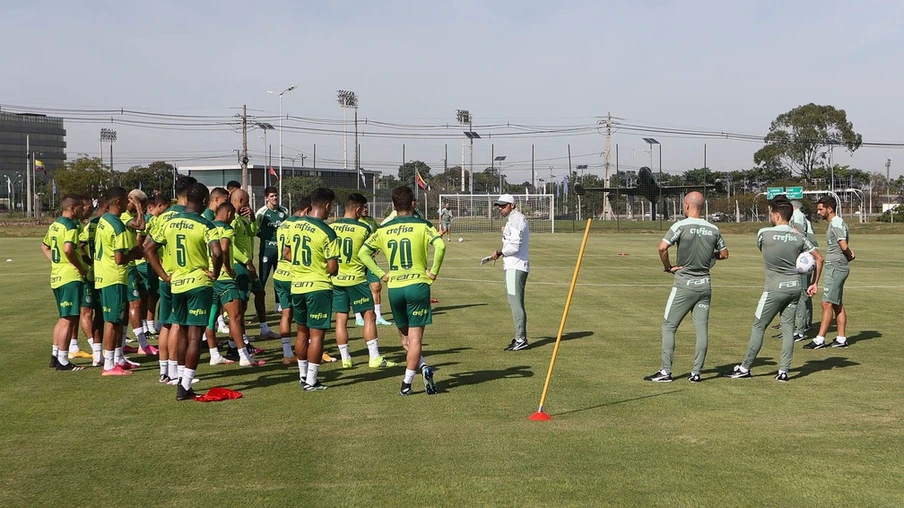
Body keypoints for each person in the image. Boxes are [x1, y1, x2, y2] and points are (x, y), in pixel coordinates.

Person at [724, 196, 823, 382]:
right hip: (794, 288)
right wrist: (814, 283)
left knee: (759, 326)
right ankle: (783, 371)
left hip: (773, 289)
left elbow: (763, 248)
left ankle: (745, 367)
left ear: (776, 215)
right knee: (787, 329)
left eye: (771, 214)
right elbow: (819, 258)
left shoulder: (763, 233)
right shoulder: (798, 237)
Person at [360, 186, 446, 396]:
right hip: (417, 286)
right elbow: (441, 246)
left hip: (395, 288)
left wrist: (382, 274)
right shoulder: (423, 225)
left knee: (405, 340)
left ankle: (423, 367)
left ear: (393, 205)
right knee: (415, 340)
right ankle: (407, 383)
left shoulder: (384, 228)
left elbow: (363, 253)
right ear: (414, 203)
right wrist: (433, 272)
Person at [146, 183, 222, 400]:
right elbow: (217, 253)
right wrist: (215, 272)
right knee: (195, 335)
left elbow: (148, 248)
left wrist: (163, 274)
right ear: (206, 201)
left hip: (176, 284)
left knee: (179, 330)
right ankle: (185, 385)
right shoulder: (205, 225)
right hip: (198, 284)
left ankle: (180, 378)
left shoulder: (168, 222)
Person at [644, 191, 728, 383]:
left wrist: (668, 267)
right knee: (701, 330)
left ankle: (666, 372)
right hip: (704, 285)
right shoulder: (713, 229)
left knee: (669, 327)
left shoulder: (680, 226)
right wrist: (710, 256)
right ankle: (696, 372)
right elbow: (724, 254)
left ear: (687, 205)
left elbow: (662, 247)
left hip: (684, 284)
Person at [331, 193, 397, 369]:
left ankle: (346, 359)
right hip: (357, 279)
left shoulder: (331, 227)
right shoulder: (364, 228)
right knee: (369, 316)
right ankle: (374, 357)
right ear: (358, 209)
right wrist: (381, 273)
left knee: (341, 319)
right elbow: (370, 251)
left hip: (337, 280)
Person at [287, 187, 340, 391]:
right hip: (318, 287)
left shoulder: (295, 225)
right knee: (316, 335)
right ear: (327, 205)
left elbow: (287, 253)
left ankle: (302, 375)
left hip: (297, 285)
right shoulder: (327, 231)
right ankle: (311, 380)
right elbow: (333, 267)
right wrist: (318, 267)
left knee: (301, 332)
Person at [95, 187, 145, 376]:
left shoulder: (105, 220)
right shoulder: (117, 225)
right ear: (117, 203)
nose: (127, 204)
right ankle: (109, 364)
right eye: (125, 200)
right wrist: (135, 253)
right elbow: (119, 258)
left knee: (116, 318)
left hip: (106, 274)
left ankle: (117, 358)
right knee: (113, 320)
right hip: (113, 276)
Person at [209, 201, 261, 367]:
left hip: (208, 278)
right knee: (236, 316)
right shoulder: (227, 229)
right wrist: (228, 268)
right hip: (224, 279)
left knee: (210, 319)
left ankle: (213, 354)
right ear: (230, 214)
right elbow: (223, 249)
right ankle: (243, 355)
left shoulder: (206, 226)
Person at [42, 195, 88, 371]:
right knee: (69, 319)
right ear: (72, 208)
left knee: (63, 318)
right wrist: (79, 267)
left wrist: (56, 262)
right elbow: (68, 249)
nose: (82, 211)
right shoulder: (70, 225)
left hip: (57, 275)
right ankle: (63, 360)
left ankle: (55, 355)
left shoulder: (55, 225)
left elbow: (44, 246)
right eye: (80, 208)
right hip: (69, 277)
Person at [804, 195, 855, 349]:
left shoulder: (836, 223)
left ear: (829, 209)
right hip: (837, 266)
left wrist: (849, 254)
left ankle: (820, 340)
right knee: (837, 304)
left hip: (836, 267)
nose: (818, 212)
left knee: (826, 303)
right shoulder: (835, 223)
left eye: (821, 209)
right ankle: (841, 338)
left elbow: (843, 245)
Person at [230, 188, 278, 341]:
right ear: (240, 201)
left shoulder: (242, 217)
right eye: (247, 200)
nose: (249, 204)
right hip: (240, 265)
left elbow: (252, 232)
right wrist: (245, 261)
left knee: (260, 292)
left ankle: (264, 329)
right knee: (242, 303)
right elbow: (230, 245)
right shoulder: (232, 219)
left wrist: (251, 218)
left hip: (247, 263)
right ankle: (241, 337)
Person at [487, 194, 531, 351]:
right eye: (499, 206)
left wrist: (499, 253)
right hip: (516, 266)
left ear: (512, 205)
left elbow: (514, 246)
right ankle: (520, 337)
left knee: (515, 303)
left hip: (515, 266)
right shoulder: (515, 219)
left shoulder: (516, 219)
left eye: (503, 205)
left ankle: (520, 339)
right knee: (516, 302)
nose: (500, 208)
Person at [120, 189, 156, 356]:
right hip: (125, 266)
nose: (137, 208)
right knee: (135, 303)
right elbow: (141, 225)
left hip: (131, 263)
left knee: (131, 304)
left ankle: (121, 344)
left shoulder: (127, 215)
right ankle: (143, 344)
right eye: (136, 204)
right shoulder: (123, 215)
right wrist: (139, 207)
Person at [355, 206, 393, 326]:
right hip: (357, 261)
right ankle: (358, 316)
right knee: (357, 288)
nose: (365, 209)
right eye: (363, 207)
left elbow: (378, 234)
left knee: (376, 286)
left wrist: (376, 247)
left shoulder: (371, 221)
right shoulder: (356, 222)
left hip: (369, 260)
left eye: (366, 207)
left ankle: (378, 316)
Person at [256, 186, 289, 309]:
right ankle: (259, 306)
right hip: (266, 250)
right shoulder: (261, 213)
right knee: (263, 279)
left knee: (279, 277)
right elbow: (256, 230)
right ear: (266, 198)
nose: (275, 198)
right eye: (272, 196)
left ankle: (278, 305)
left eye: (276, 195)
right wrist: (267, 239)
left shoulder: (284, 211)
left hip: (280, 251)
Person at [790, 200, 817, 341]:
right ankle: (805, 324)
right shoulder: (801, 217)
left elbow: (798, 236)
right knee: (804, 292)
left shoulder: (797, 216)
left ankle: (800, 329)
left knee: (801, 294)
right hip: (807, 257)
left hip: (803, 259)